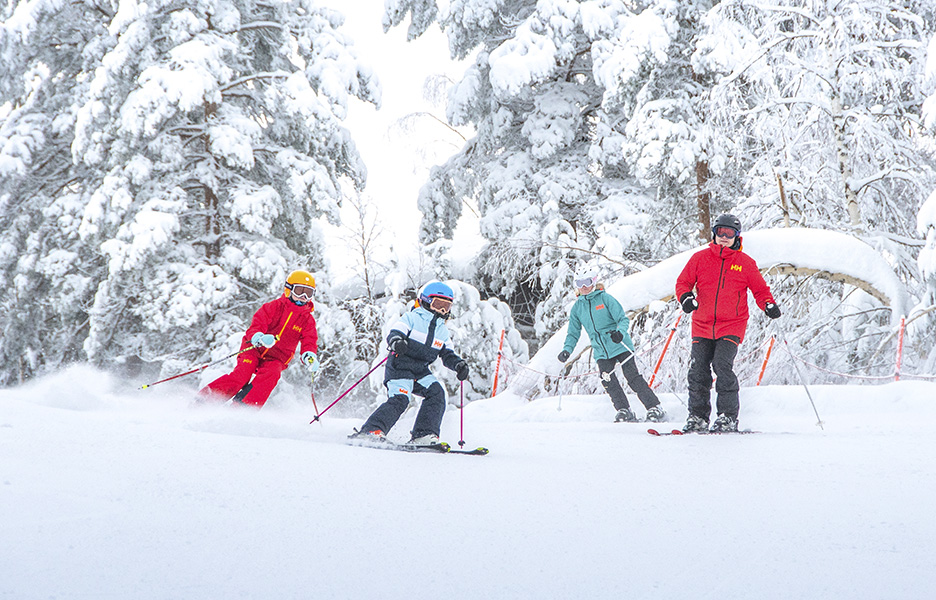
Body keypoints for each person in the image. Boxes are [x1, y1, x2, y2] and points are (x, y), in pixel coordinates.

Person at [675, 214, 781, 432]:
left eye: (729, 233)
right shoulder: (700, 258)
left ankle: (727, 417)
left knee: (722, 365)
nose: (724, 237)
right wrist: (686, 297)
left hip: (732, 324)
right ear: (714, 234)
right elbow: (683, 281)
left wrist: (768, 304)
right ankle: (698, 417)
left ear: (737, 237)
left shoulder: (745, 263)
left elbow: (760, 290)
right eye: (720, 232)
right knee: (698, 370)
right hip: (702, 324)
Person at [351, 281, 469, 447]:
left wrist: (458, 365)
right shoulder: (412, 318)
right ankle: (371, 430)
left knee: (436, 393)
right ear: (426, 301)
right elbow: (395, 333)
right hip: (400, 367)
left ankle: (424, 434)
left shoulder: (442, 330)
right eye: (438, 304)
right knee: (401, 399)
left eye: (446, 307)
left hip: (420, 371)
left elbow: (447, 354)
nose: (442, 311)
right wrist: (397, 341)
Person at [557, 265, 666, 423]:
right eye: (579, 283)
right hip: (601, 351)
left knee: (632, 377)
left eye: (587, 282)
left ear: (594, 281)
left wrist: (620, 333)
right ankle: (624, 410)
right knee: (607, 380)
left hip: (620, 344)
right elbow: (573, 333)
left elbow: (622, 318)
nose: (584, 287)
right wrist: (567, 350)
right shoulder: (577, 308)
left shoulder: (605, 299)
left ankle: (655, 408)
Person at [198, 270, 319, 408]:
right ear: (289, 289)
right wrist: (259, 337)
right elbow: (257, 325)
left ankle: (244, 407)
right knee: (242, 376)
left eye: (308, 293)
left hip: (277, 358)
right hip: (254, 349)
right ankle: (206, 399)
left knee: (272, 374)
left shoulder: (307, 320)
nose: (303, 296)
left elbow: (309, 340)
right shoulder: (273, 307)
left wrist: (309, 355)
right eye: (299, 291)